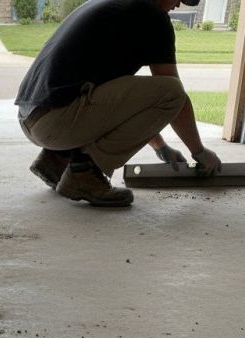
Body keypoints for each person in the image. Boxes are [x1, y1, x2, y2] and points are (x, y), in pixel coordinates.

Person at [16, 0, 222, 207]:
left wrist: (160, 147)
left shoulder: (115, 6)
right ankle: (84, 173)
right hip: (57, 121)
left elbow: (123, 106)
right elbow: (176, 98)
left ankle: (57, 160)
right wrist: (199, 151)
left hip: (34, 118)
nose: (178, 5)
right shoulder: (152, 16)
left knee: (140, 90)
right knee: (172, 92)